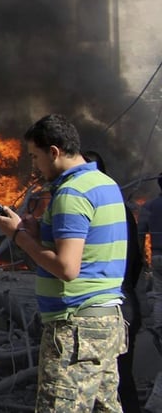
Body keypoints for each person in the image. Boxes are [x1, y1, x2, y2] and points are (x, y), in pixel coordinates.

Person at [0, 114, 127, 412]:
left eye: (35, 157)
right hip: (105, 323)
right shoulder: (104, 184)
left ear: (53, 152)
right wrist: (40, 233)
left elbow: (67, 268)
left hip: (75, 327)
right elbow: (89, 245)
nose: (34, 166)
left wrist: (18, 236)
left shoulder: (71, 194)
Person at [84, 150, 143, 413]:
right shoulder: (121, 208)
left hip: (103, 305)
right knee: (120, 377)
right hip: (126, 299)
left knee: (96, 379)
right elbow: (138, 261)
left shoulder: (89, 209)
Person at [138, 172, 162, 339]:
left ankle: (159, 328)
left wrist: (141, 257)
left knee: (159, 294)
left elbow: (140, 233)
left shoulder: (150, 206)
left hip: (157, 256)